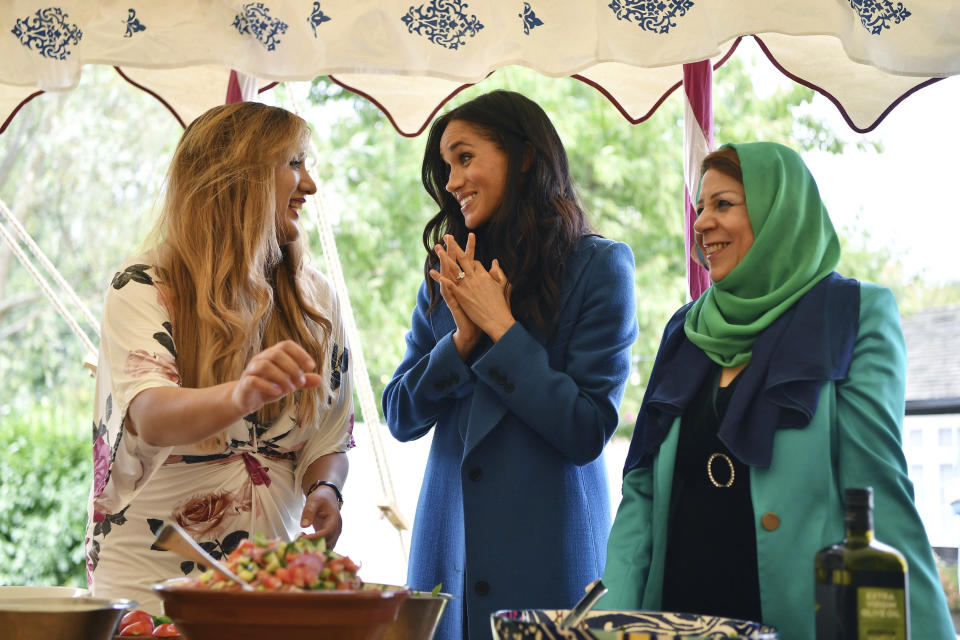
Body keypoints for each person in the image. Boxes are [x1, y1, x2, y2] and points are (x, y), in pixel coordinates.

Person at [600, 142, 954, 638]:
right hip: (676, 615)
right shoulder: (686, 330)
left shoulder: (853, 315)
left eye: (723, 204)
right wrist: (603, 623)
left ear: (778, 212)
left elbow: (876, 487)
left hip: (794, 619)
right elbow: (640, 498)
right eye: (699, 209)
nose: (701, 224)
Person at [382, 90, 638, 640]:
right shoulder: (447, 269)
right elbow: (400, 415)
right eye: (447, 165)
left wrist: (502, 330)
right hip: (448, 558)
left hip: (552, 565)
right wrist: (462, 342)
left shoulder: (600, 268)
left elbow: (587, 430)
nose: (451, 181)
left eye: (465, 157)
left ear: (524, 156)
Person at [84, 102, 355, 614]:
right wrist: (240, 395)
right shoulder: (144, 286)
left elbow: (330, 434)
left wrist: (327, 487)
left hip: (268, 585)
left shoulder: (317, 299)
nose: (310, 185)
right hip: (155, 585)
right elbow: (151, 413)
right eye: (294, 163)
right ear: (240, 178)